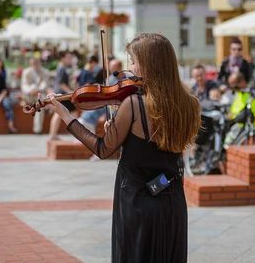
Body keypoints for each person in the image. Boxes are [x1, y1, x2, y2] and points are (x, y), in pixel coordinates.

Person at [40, 33, 200, 262]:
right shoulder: (190, 103)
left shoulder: (133, 104)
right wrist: (121, 131)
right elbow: (164, 146)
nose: (130, 68)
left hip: (136, 201)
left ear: (149, 64)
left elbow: (103, 149)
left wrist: (67, 117)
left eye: (133, 61)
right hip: (171, 198)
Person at [48, 51, 77, 141]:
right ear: (63, 58)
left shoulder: (61, 68)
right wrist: (71, 93)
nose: (70, 60)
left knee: (59, 114)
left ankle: (52, 135)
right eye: (68, 58)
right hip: (62, 95)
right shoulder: (61, 68)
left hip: (59, 94)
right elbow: (61, 83)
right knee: (74, 112)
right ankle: (78, 135)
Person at [21, 57, 49, 133]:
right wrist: (31, 90)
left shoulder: (45, 72)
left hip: (39, 95)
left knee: (40, 104)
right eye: (34, 63)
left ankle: (37, 129)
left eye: (37, 63)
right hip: (28, 95)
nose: (35, 65)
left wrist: (37, 90)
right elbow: (24, 85)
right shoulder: (26, 72)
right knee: (34, 91)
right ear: (30, 64)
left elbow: (44, 85)